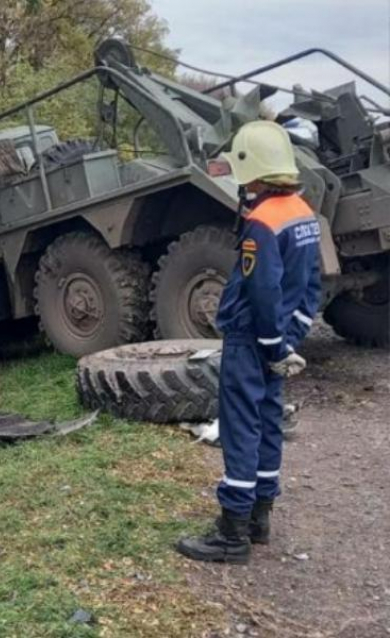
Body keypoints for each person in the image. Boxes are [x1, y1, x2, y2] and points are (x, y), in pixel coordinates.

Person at [177, 121, 322, 564]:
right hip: (278, 342)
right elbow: (311, 283)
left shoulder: (261, 222)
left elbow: (262, 289)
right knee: (268, 425)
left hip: (251, 341)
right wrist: (291, 339)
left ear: (251, 168)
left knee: (240, 429)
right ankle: (261, 516)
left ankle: (232, 533)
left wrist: (271, 343)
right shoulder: (303, 213)